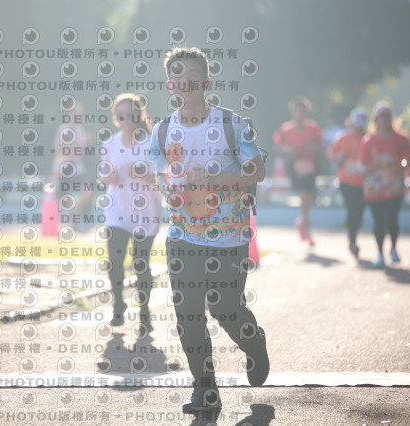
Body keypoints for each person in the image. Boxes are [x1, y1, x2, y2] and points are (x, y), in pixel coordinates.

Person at [148, 47, 268, 413]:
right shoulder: (163, 130)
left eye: (192, 76)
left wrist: (216, 179)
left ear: (206, 81)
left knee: (225, 308)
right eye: (178, 76)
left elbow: (258, 170)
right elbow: (158, 172)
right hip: (183, 235)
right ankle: (205, 389)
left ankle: (254, 342)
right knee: (188, 315)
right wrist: (166, 189)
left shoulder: (232, 124)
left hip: (229, 236)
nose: (185, 82)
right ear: (170, 84)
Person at [99, 93, 161, 330]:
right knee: (115, 260)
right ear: (116, 118)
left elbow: (163, 181)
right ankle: (118, 305)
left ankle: (144, 310)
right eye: (120, 116)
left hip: (146, 211)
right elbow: (104, 174)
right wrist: (109, 176)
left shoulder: (152, 143)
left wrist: (142, 173)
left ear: (139, 116)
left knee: (140, 262)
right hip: (117, 210)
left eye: (130, 115)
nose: (125, 120)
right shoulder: (110, 144)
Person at [358, 102, 410, 269]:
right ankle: (380, 253)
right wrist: (373, 172)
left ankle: (394, 248)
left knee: (392, 219)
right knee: (378, 221)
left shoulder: (401, 139)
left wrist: (401, 167)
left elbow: (407, 158)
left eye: (386, 117)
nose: (383, 120)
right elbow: (361, 162)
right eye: (380, 117)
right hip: (374, 187)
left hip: (394, 186)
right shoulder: (368, 140)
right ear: (376, 120)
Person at [273, 97, 323, 246]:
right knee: (303, 197)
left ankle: (302, 222)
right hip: (294, 166)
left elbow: (322, 145)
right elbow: (278, 147)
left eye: (303, 111)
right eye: (297, 111)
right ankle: (307, 229)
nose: (300, 114)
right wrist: (288, 150)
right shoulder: (285, 129)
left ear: (306, 112)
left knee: (308, 198)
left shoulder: (313, 127)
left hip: (310, 165)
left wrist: (313, 147)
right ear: (292, 112)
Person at [327, 107, 369, 258]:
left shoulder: (368, 139)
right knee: (352, 209)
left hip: (364, 182)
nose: (359, 128)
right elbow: (331, 155)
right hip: (345, 180)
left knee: (360, 210)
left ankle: (353, 235)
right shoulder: (343, 138)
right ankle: (352, 240)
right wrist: (340, 156)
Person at [50, 103, 97, 233]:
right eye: (72, 114)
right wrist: (79, 145)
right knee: (59, 200)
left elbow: (78, 154)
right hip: (62, 169)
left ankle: (73, 213)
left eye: (77, 114)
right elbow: (60, 152)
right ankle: (54, 227)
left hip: (77, 169)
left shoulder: (81, 131)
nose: (75, 116)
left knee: (88, 192)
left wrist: (84, 142)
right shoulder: (62, 130)